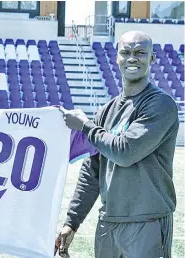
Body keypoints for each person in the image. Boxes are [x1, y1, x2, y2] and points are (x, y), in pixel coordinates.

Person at [55, 31, 179, 258]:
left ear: (152, 59)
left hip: (146, 223)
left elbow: (125, 152)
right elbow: (91, 173)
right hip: (108, 223)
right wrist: (72, 222)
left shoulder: (161, 105)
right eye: (126, 52)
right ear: (117, 58)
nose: (133, 58)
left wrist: (86, 127)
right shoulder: (106, 111)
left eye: (141, 52)